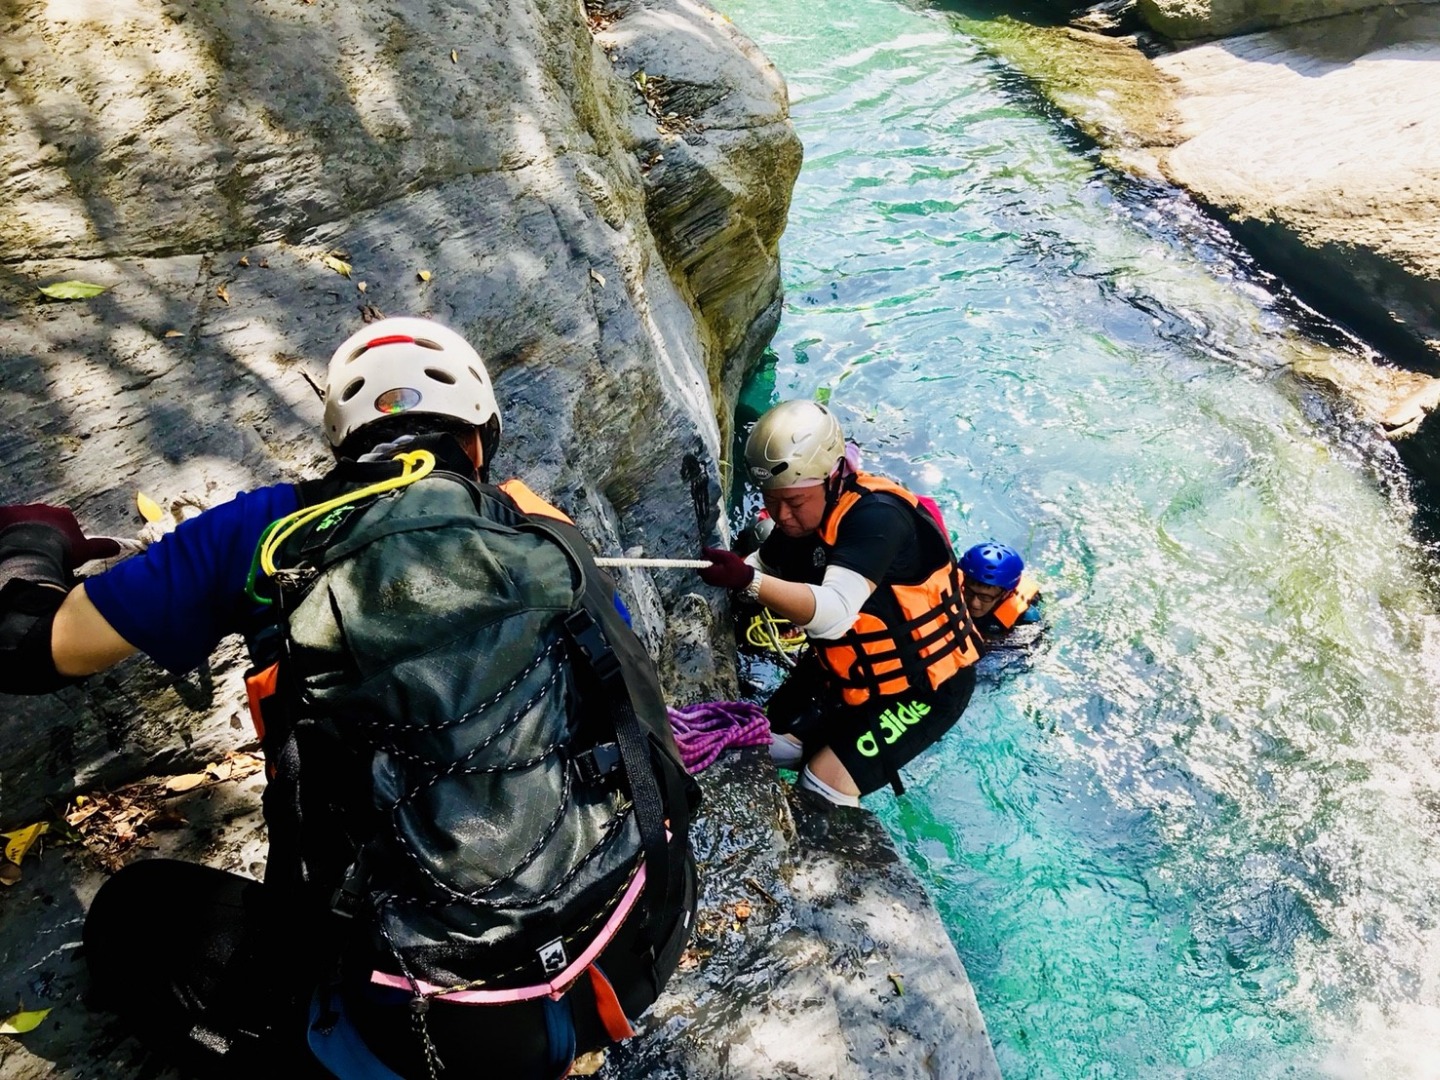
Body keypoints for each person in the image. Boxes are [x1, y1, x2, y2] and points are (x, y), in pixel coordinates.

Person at [0, 317, 698, 1080]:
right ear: (478, 441)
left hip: (445, 1032)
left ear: (346, 442)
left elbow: (32, 648)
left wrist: (32, 542)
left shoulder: (263, 532)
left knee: (136, 916)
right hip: (639, 940)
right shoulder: (546, 531)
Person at [697, 400, 985, 807]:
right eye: (772, 500)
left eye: (794, 502)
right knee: (762, 745)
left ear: (832, 478)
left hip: (922, 687)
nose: (781, 515)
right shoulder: (799, 522)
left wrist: (749, 582)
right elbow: (763, 562)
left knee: (821, 785)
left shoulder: (878, 519)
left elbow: (833, 614)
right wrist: (732, 569)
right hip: (843, 674)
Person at [960, 540, 1043, 642]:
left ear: (1005, 594)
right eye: (969, 592)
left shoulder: (1026, 619)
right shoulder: (956, 586)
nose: (974, 603)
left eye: (985, 597)